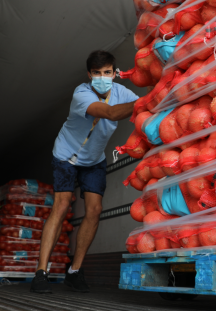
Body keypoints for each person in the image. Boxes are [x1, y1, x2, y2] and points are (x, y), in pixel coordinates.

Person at [30, 51, 138, 294]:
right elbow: (110, 113)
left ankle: (74, 272)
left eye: (107, 72)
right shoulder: (82, 93)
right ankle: (41, 273)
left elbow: (141, 111)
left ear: (114, 73)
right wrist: (148, 101)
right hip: (66, 155)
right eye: (97, 73)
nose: (102, 77)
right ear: (90, 75)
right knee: (62, 205)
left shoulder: (123, 93)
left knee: (95, 210)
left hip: (94, 160)